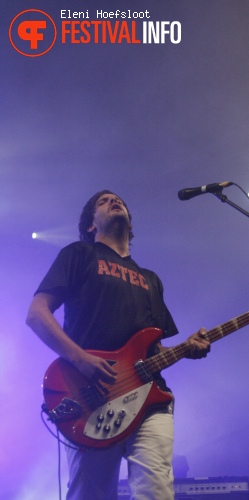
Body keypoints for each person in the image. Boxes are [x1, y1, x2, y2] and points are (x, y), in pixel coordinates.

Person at [26, 190, 210, 500]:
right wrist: (81, 359)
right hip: (92, 396)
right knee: (91, 494)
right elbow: (36, 313)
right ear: (90, 226)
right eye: (103, 201)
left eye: (119, 199)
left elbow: (153, 352)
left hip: (151, 401)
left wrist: (186, 349)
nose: (115, 200)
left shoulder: (151, 279)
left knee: (156, 493)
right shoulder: (80, 255)